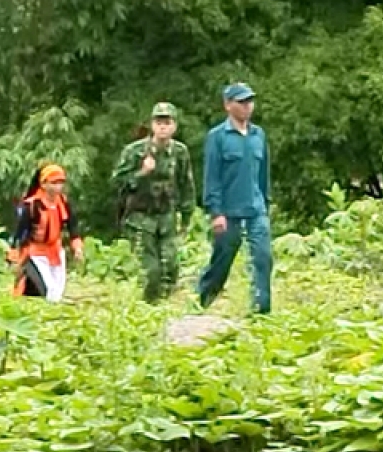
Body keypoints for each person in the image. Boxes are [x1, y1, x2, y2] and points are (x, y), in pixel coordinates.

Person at [197, 83, 274, 314]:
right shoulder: (218, 137)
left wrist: (266, 204)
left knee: (263, 258)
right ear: (228, 105)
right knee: (222, 261)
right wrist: (216, 212)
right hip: (228, 212)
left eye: (249, 101)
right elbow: (212, 176)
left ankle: (262, 312)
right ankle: (202, 301)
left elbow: (263, 175)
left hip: (256, 209)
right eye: (241, 102)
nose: (247, 106)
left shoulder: (258, 135)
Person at [112, 102, 197, 303]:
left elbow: (186, 185)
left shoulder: (179, 152)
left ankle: (162, 307)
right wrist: (142, 173)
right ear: (152, 125)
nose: (163, 127)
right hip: (140, 218)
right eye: (159, 122)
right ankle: (149, 309)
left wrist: (186, 218)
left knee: (171, 267)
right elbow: (117, 182)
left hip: (166, 217)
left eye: (167, 122)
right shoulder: (135, 151)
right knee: (152, 272)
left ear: (174, 126)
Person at [9, 163, 84, 302]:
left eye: (61, 183)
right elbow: (19, 231)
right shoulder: (31, 205)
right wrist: (13, 253)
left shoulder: (63, 202)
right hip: (36, 252)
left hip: (55, 250)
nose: (58, 187)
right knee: (46, 289)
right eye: (54, 183)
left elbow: (73, 227)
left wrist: (77, 247)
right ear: (43, 184)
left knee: (57, 291)